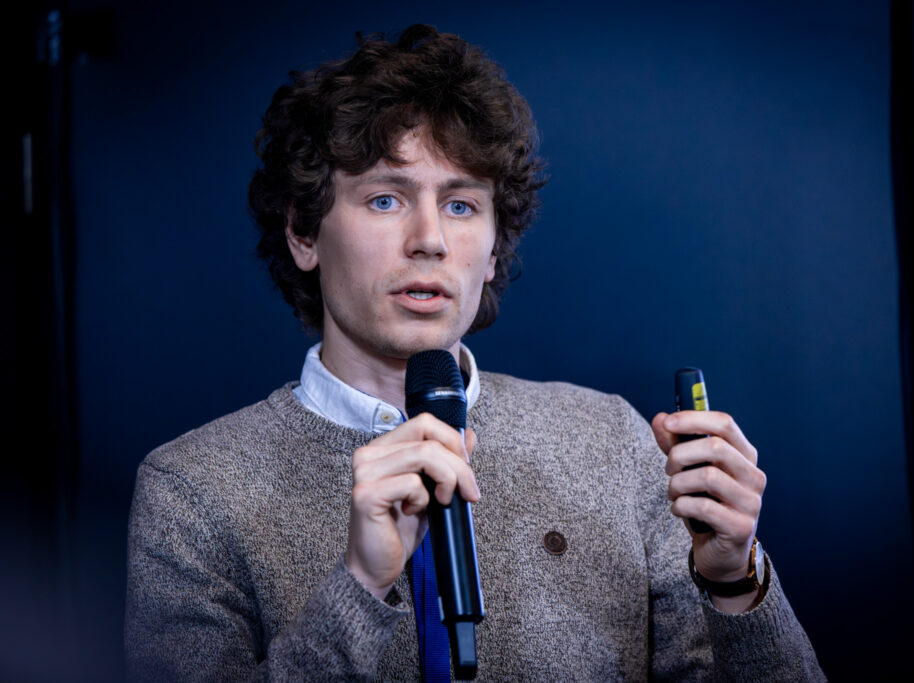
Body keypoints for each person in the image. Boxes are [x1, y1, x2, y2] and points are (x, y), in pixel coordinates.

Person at [125, 24, 824, 681]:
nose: (429, 240)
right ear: (304, 234)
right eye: (385, 200)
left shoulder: (611, 439)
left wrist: (733, 577)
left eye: (461, 206)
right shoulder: (194, 491)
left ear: (491, 251)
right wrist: (360, 587)